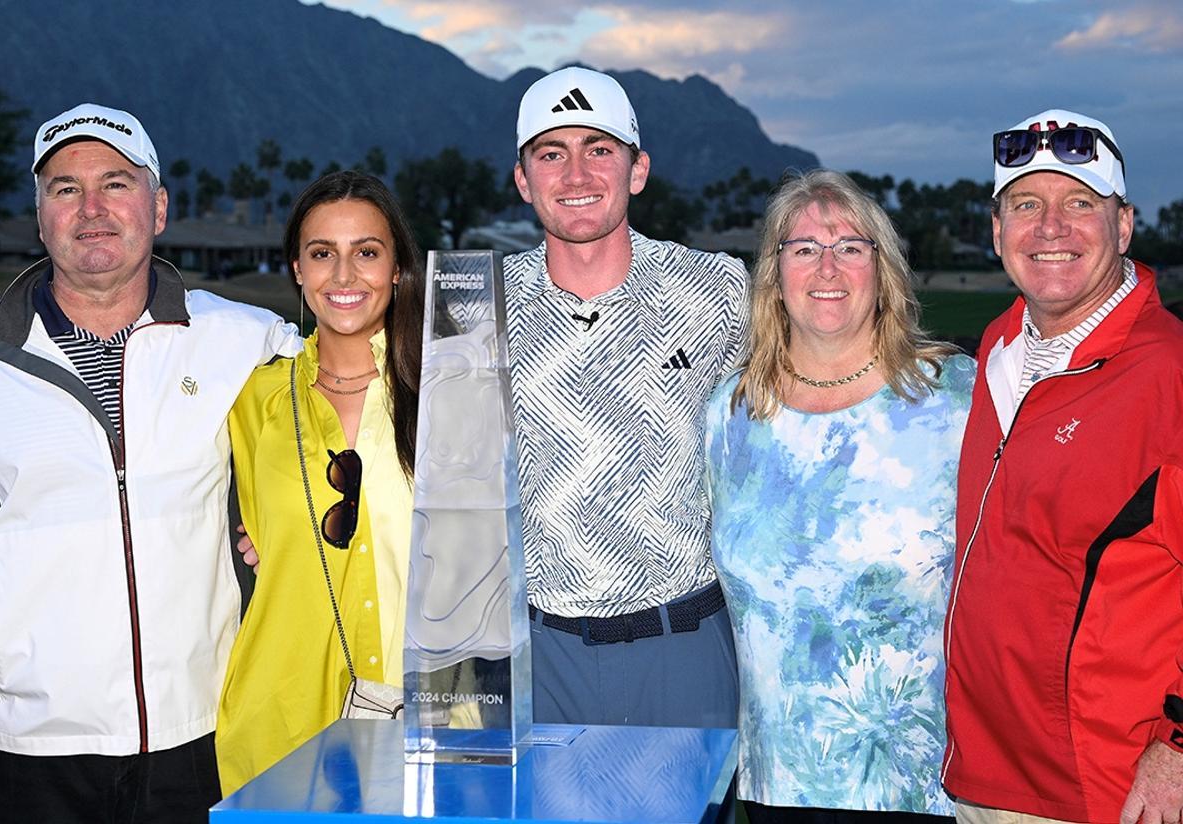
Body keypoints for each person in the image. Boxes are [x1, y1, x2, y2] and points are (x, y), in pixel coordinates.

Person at [0, 103, 298, 823]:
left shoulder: (249, 339)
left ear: (157, 208)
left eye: (116, 184)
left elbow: (352, 414)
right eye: (66, 189)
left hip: (205, 738)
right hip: (29, 754)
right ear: (39, 217)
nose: (91, 209)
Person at [706, 170, 972, 823]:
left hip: (917, 782)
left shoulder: (953, 395)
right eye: (803, 249)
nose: (828, 266)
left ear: (882, 271)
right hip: (775, 783)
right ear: (774, 274)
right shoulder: (733, 408)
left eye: (852, 247)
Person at [942, 110, 1183, 824]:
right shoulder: (998, 346)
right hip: (978, 771)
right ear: (997, 231)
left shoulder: (1166, 375)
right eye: (1026, 205)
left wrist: (1177, 747)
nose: (1051, 228)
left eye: (1081, 203)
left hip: (1100, 789)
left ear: (1125, 226)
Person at [507, 66, 748, 727]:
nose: (577, 176)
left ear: (637, 170)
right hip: (536, 657)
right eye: (552, 154)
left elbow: (806, 405)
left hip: (683, 646)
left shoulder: (720, 292)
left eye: (600, 150)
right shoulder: (479, 307)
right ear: (524, 181)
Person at [215, 171, 423, 794]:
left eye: (366, 252)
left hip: (429, 725)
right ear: (297, 271)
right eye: (321, 254)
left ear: (397, 269)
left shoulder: (451, 392)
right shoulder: (250, 400)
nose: (343, 275)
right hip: (282, 722)